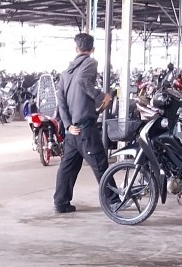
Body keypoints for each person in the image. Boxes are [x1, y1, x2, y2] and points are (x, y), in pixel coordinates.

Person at [52, 33, 112, 214]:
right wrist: (101, 96)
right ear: (92, 49)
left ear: (76, 49)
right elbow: (83, 81)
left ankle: (61, 203)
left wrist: (67, 125)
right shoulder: (90, 62)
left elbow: (61, 102)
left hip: (72, 130)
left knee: (68, 168)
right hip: (85, 128)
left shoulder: (65, 73)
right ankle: (114, 201)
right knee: (100, 164)